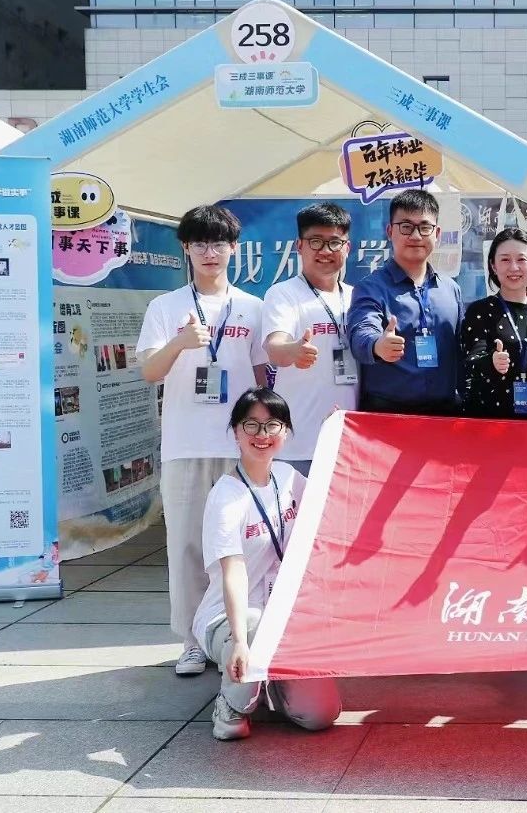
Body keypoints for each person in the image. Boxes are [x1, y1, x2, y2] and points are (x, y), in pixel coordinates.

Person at [134, 204, 269, 677]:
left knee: (240, 548)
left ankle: (236, 634)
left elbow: (262, 378)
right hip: (185, 445)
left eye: (219, 243)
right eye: (200, 243)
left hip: (239, 448)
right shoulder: (165, 307)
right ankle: (192, 641)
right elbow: (149, 372)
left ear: (234, 249)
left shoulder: (252, 307)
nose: (210, 252)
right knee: (187, 546)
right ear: (186, 249)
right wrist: (179, 343)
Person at [193, 388, 341, 740]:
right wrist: (240, 641)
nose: (262, 434)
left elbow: (331, 496)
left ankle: (268, 683)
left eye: (272, 425)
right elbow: (233, 572)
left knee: (321, 714)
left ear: (286, 431)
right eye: (251, 425)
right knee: (255, 623)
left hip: (284, 619)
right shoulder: (226, 496)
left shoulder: (289, 478)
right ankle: (232, 704)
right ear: (236, 431)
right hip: (232, 619)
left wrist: (334, 439)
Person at [260, 202, 359, 475]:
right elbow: (274, 347)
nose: (325, 251)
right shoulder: (283, 294)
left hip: (350, 444)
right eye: (316, 241)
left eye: (334, 242)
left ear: (347, 248)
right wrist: (293, 351)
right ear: (299, 246)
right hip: (298, 443)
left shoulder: (358, 297)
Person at [345, 188, 464, 414]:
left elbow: (462, 349)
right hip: (389, 416)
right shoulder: (371, 288)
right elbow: (361, 330)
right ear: (390, 231)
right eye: (406, 227)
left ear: (437, 233)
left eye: (425, 227)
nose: (416, 236)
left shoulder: (451, 290)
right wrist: (377, 345)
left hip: (445, 415)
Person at [459, 228, 527, 419]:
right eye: (505, 260)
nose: (513, 267)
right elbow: (469, 362)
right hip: (489, 422)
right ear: (493, 266)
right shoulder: (480, 311)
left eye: (521, 259)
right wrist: (491, 361)